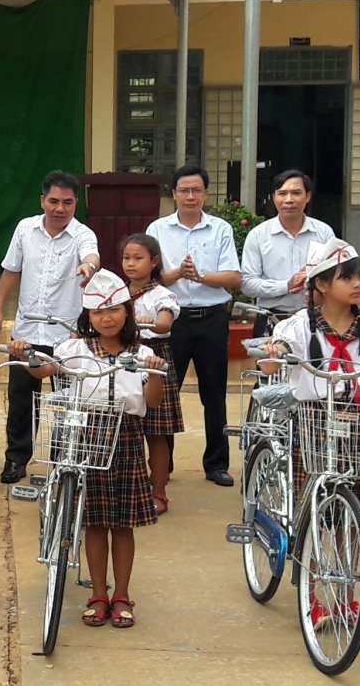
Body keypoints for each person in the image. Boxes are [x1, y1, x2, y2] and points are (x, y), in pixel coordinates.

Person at [260, 238, 360, 635]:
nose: (358, 283)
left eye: (359, 275)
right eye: (347, 277)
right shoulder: (296, 327)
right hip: (314, 420)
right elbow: (267, 364)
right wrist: (273, 349)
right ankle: (311, 598)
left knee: (352, 519)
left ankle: (347, 600)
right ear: (322, 284)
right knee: (315, 515)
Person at [8, 270, 164, 630]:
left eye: (113, 310)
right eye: (97, 312)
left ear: (127, 312)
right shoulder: (73, 349)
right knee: (93, 522)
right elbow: (44, 369)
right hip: (85, 436)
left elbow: (151, 402)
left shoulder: (142, 353)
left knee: (123, 524)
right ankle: (97, 592)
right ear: (87, 316)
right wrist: (27, 353)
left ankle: (121, 594)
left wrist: (154, 372)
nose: (106, 319)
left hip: (125, 437)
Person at [0, 171, 99, 484]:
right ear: (42, 200)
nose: (60, 208)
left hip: (67, 335)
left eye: (67, 202)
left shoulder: (82, 234)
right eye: (53, 201)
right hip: (26, 332)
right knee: (21, 400)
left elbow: (92, 256)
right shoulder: (25, 229)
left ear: (75, 203)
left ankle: (62, 462)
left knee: (67, 404)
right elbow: (11, 271)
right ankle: (16, 459)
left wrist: (88, 266)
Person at [146, 165, 241, 486]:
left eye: (196, 190)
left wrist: (200, 276)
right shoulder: (157, 230)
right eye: (183, 190)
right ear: (173, 194)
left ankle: (216, 464)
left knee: (213, 394)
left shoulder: (220, 229)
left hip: (212, 318)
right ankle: (164, 464)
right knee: (164, 393)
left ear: (206, 194)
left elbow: (233, 277)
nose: (190, 196)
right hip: (171, 320)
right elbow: (146, 276)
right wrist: (176, 275)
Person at [121, 234, 180, 515]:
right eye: (126, 258)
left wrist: (152, 323)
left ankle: (158, 491)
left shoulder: (161, 294)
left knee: (156, 432)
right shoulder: (117, 292)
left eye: (138, 258)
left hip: (153, 358)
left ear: (154, 262)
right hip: (122, 356)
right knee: (123, 425)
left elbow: (165, 321)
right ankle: (129, 486)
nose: (130, 264)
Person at [240, 169, 335, 337]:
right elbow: (247, 284)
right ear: (274, 197)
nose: (289, 200)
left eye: (296, 193)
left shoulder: (324, 233)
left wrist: (318, 291)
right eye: (282, 193)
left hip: (316, 318)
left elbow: (336, 275)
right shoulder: (258, 235)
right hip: (271, 318)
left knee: (315, 363)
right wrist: (286, 286)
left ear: (307, 196)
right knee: (270, 363)